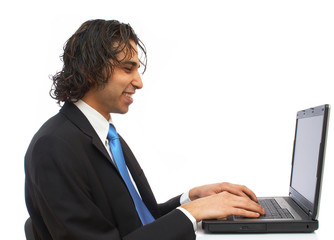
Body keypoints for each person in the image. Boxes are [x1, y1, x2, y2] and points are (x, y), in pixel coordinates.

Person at [24, 19, 265, 240]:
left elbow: (139, 220)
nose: (139, 82)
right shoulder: (54, 146)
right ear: (90, 69)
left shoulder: (106, 135)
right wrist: (193, 212)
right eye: (128, 69)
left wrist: (191, 198)